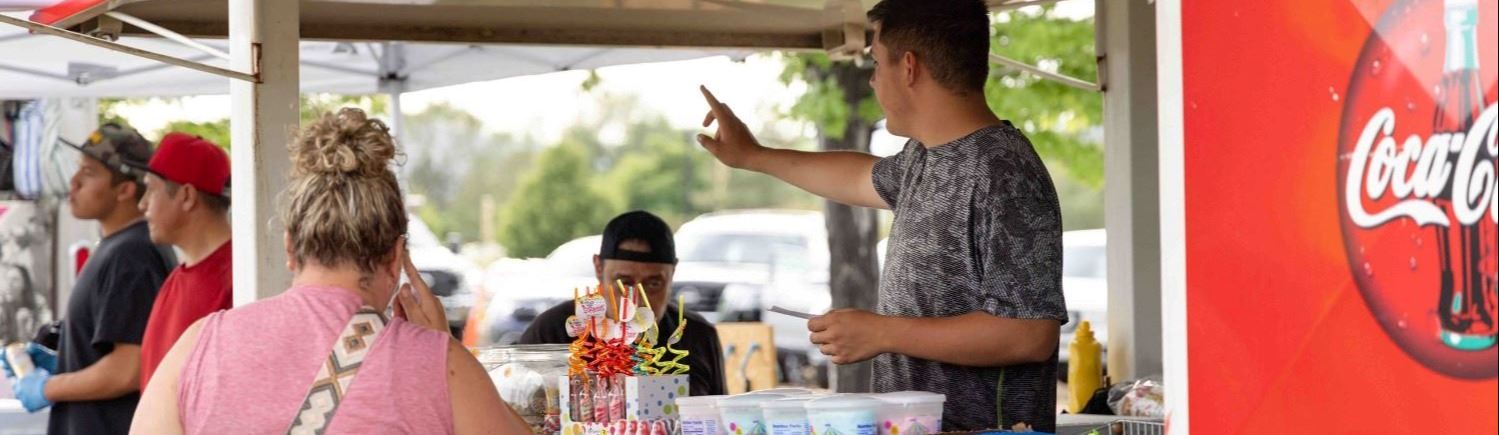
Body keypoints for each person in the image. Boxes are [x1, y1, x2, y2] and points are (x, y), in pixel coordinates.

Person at [694, 0, 1066, 430]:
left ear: (908, 67)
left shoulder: (1003, 170)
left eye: (875, 62)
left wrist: (883, 332)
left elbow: (1030, 333)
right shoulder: (923, 159)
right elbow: (855, 178)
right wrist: (754, 156)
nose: (872, 80)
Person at [129, 108, 529, 434]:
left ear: (289, 246)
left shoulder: (198, 347)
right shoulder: (443, 367)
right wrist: (440, 342)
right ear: (395, 257)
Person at [2, 124, 178, 435]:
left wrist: (49, 387)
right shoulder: (118, 246)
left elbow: (128, 368)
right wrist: (65, 360)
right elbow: (111, 353)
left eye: (89, 172)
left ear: (125, 190)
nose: (73, 182)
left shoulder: (131, 254)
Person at [519, 210, 727, 397]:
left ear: (673, 273)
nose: (637, 299)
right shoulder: (552, 333)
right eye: (623, 283)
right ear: (599, 269)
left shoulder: (697, 336)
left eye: (654, 284)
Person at [132, 133, 233, 391]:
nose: (142, 204)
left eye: (151, 190)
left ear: (187, 196)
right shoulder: (177, 278)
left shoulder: (240, 281)